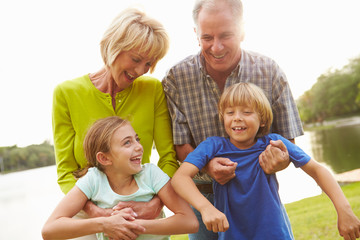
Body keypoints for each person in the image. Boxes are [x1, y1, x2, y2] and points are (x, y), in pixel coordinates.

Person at [162, 0, 303, 239]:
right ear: (196, 34)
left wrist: (279, 160)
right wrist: (208, 167)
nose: (216, 47)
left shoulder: (269, 71)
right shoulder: (177, 78)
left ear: (242, 31)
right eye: (207, 37)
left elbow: (287, 142)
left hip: (258, 198)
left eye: (226, 35)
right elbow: (180, 145)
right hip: (203, 197)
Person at [171, 82, 360, 240]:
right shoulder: (212, 146)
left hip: (275, 234)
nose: (237, 118)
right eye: (230, 112)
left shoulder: (273, 143)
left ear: (262, 119)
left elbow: (317, 170)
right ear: (223, 118)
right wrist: (206, 208)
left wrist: (344, 211)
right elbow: (180, 178)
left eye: (246, 112)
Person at [52, 7, 179, 237]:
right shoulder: (66, 93)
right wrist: (98, 213)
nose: (141, 70)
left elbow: (169, 158)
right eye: (136, 59)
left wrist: (156, 204)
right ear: (114, 47)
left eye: (149, 63)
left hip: (143, 209)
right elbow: (65, 171)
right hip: (86, 214)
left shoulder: (153, 90)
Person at [42, 116, 198, 240]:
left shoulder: (151, 174)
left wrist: (135, 225)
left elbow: (190, 222)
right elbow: (49, 230)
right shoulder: (93, 180)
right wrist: (105, 224)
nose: (138, 146)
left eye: (137, 139)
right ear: (104, 159)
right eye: (127, 143)